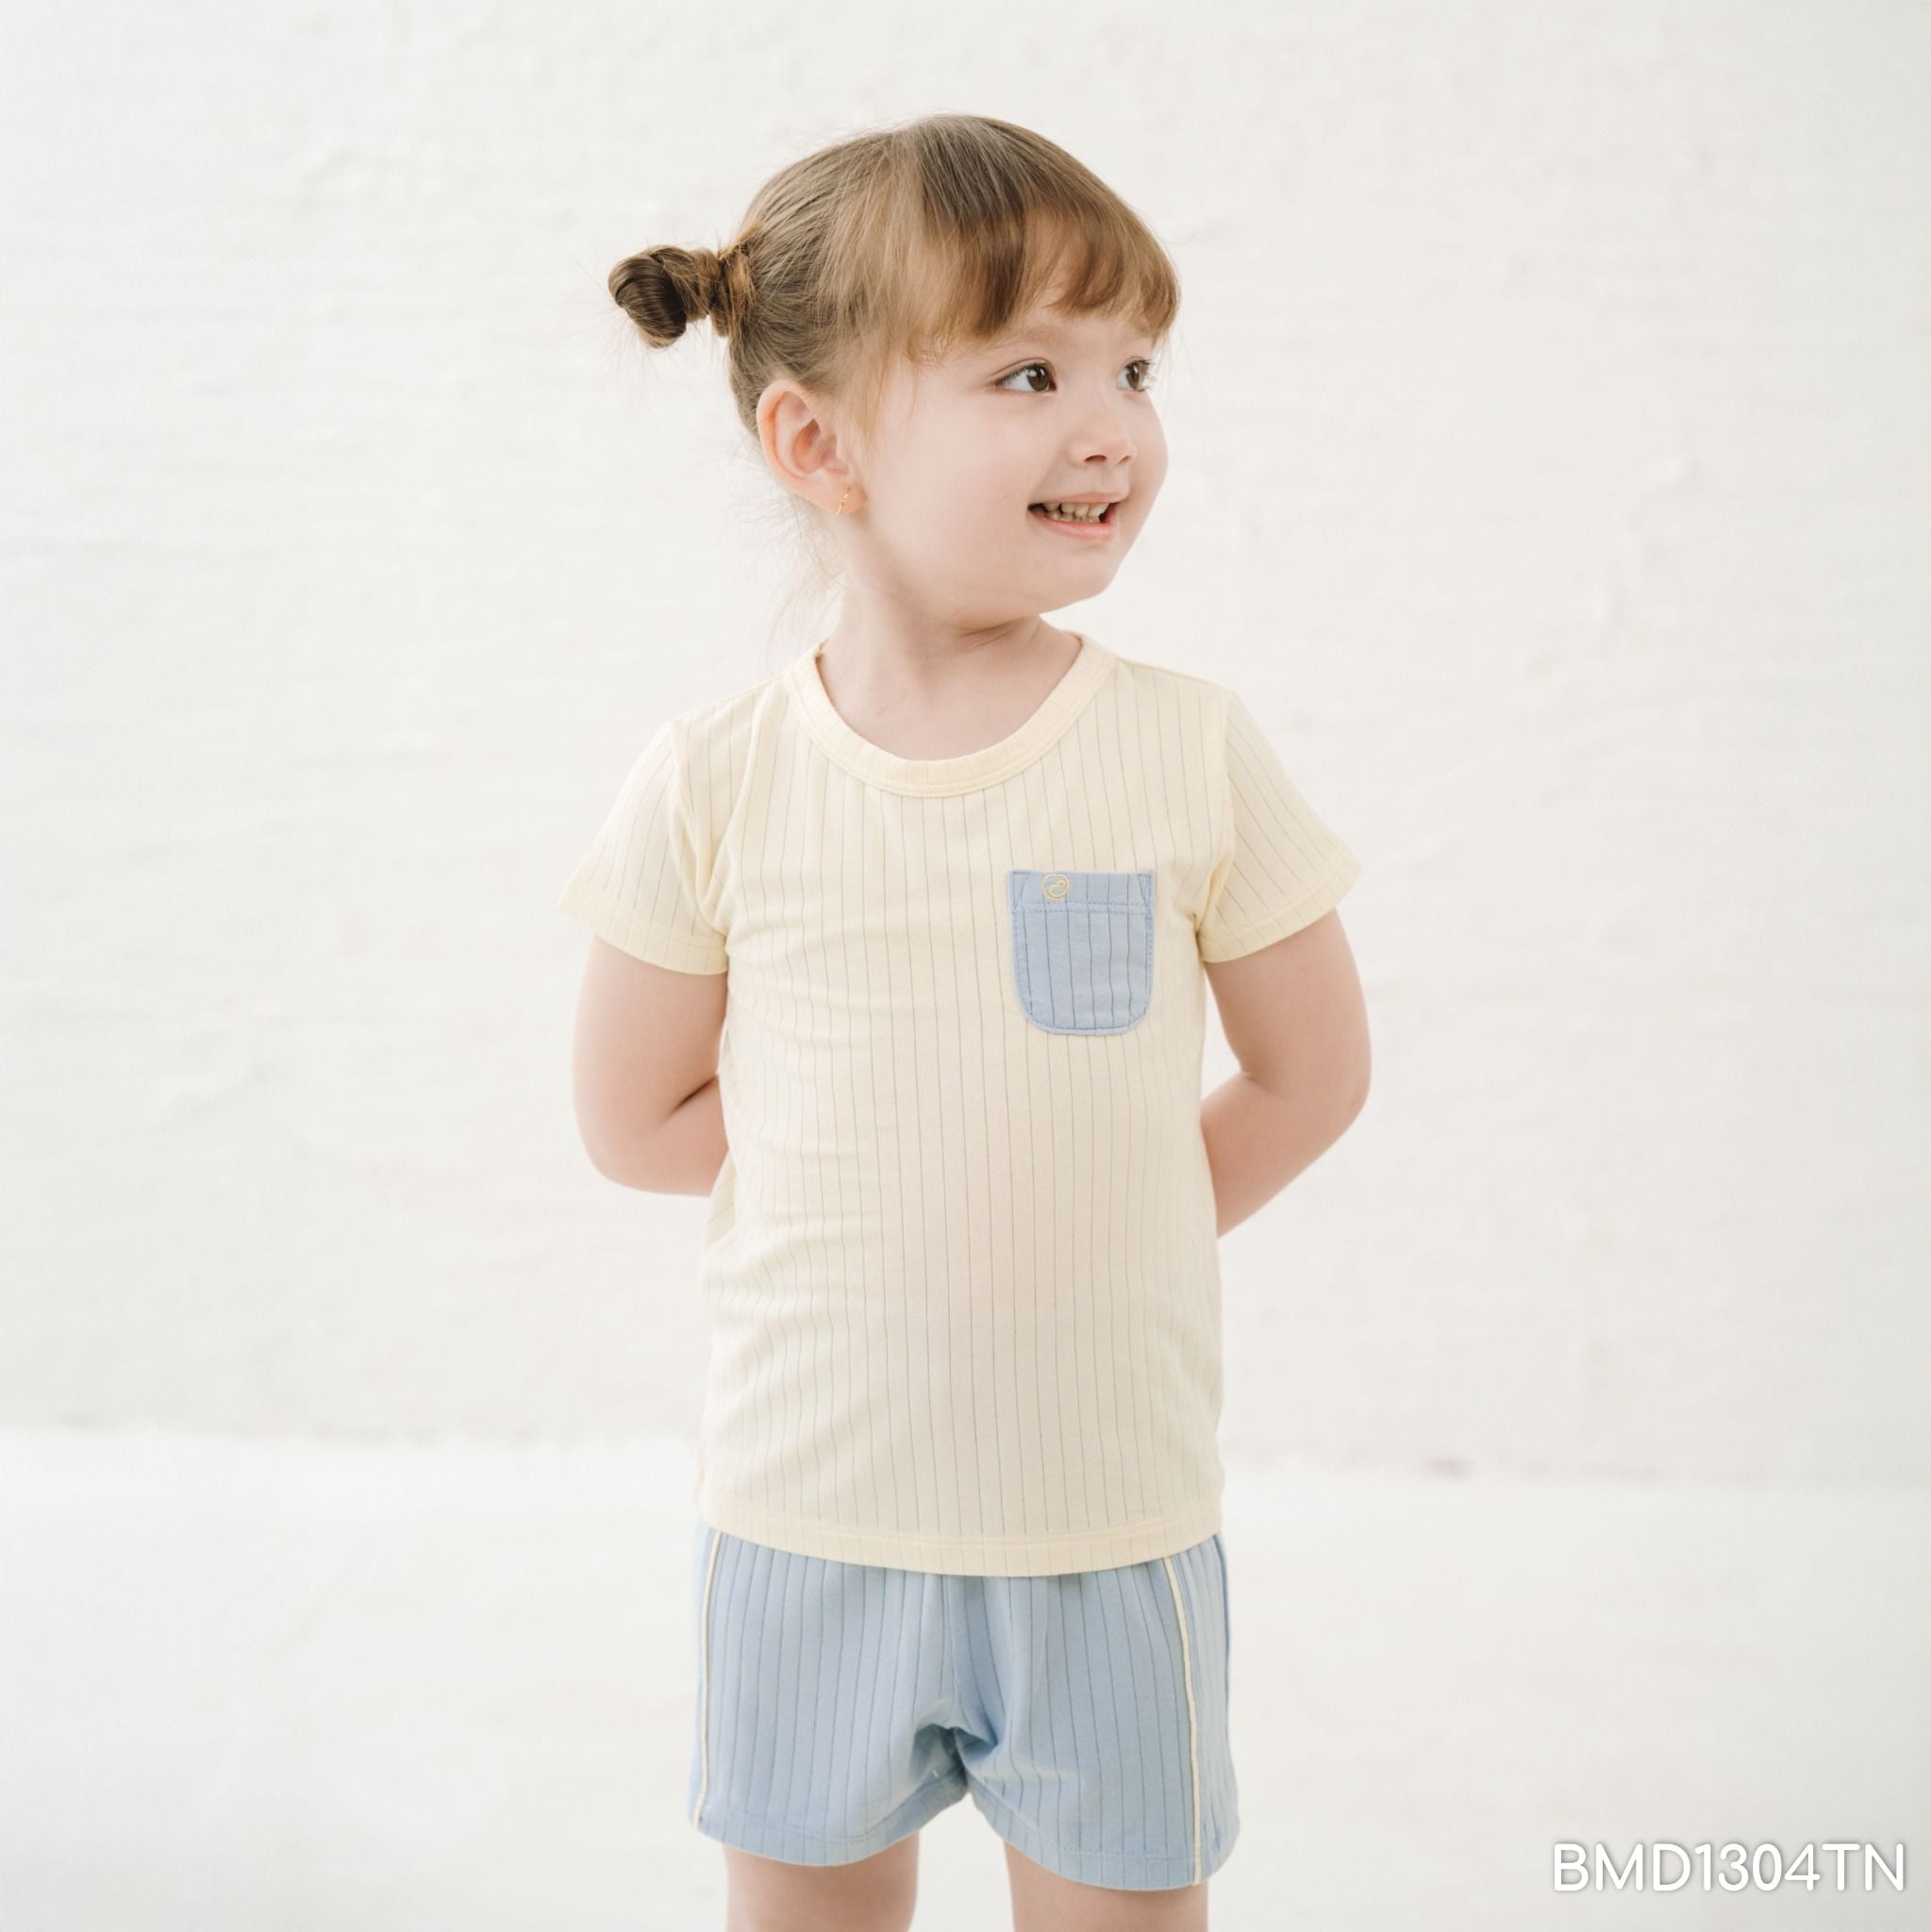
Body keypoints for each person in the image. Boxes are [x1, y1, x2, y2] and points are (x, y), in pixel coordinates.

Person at [559, 112, 1371, 1932]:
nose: (1112, 427)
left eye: (1135, 368)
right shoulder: (717, 779)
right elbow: (634, 1120)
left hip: (1107, 1526)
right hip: (809, 1520)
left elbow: (1313, 1073)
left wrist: (1115, 1212)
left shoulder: (1184, 748)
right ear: (819, 444)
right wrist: (874, 1172)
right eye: (1029, 373)